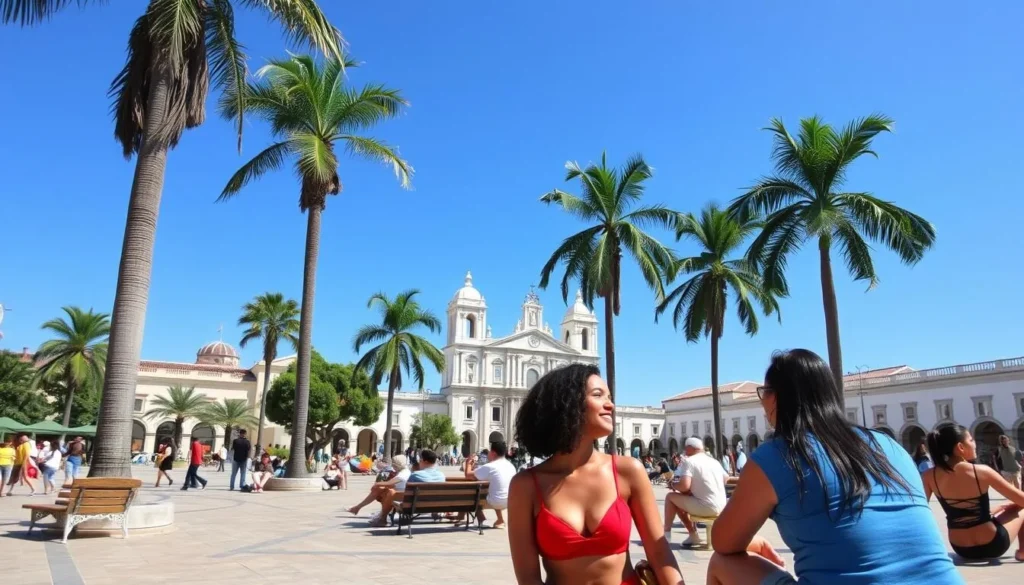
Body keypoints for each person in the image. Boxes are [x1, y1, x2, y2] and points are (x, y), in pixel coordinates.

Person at [707, 349, 963, 585]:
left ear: (777, 397)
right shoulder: (889, 446)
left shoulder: (777, 456)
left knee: (722, 562)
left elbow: (723, 542)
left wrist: (755, 541)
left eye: (765, 392)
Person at [508, 364, 683, 585]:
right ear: (567, 403)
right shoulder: (526, 485)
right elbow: (528, 579)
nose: (610, 404)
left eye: (609, 397)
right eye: (598, 395)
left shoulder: (628, 471)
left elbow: (659, 552)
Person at [924, 425, 1024, 562]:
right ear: (960, 447)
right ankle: (1022, 552)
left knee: (1009, 507)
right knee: (1021, 508)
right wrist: (1012, 504)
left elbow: (920, 511)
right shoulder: (981, 471)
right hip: (994, 543)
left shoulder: (929, 476)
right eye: (971, 440)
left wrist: (999, 509)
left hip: (960, 547)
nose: (974, 443)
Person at [663, 437, 727, 547]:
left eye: (686, 449)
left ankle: (667, 534)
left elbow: (684, 485)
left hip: (706, 507)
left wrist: (672, 485)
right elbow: (725, 479)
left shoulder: (690, 461)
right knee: (680, 500)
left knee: (670, 497)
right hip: (722, 506)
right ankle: (693, 536)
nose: (685, 452)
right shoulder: (714, 461)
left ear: (690, 448)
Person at [345, 454, 410, 527]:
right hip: (401, 496)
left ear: (398, 464)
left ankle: (382, 518)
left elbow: (389, 483)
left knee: (382, 490)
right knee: (378, 489)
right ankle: (358, 508)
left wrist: (377, 484)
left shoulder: (404, 473)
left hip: (399, 499)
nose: (393, 466)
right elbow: (393, 485)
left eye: (394, 464)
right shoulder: (405, 472)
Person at [464, 440, 516, 529]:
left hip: (495, 502)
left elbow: (468, 475)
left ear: (493, 453)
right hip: (509, 501)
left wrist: (468, 464)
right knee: (495, 491)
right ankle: (500, 520)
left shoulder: (490, 466)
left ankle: (480, 517)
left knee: (474, 496)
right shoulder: (511, 466)